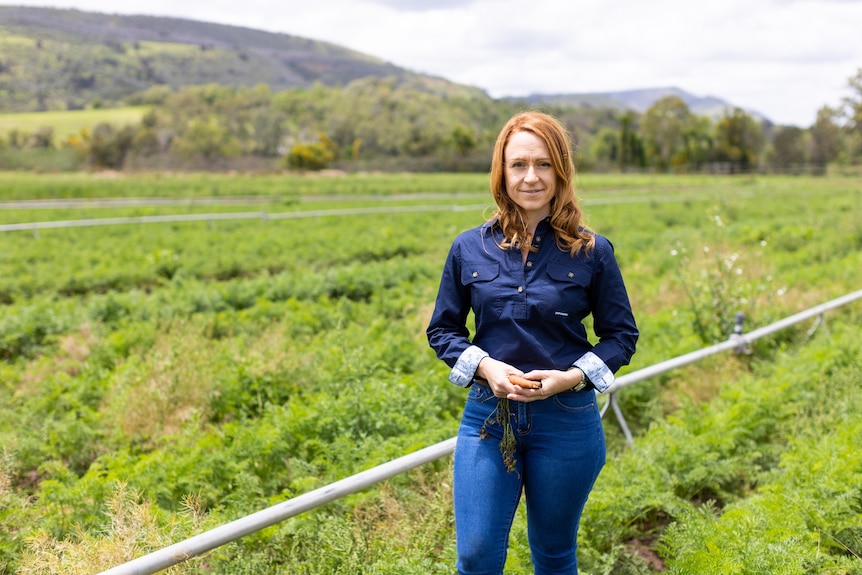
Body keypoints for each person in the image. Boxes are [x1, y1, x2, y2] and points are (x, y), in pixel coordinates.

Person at [426, 110, 638, 575]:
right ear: (501, 172)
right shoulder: (469, 247)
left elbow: (621, 336)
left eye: (543, 164)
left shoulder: (591, 251)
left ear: (561, 171)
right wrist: (486, 367)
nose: (531, 177)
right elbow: (442, 330)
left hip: (566, 422)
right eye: (518, 164)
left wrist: (572, 378)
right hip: (488, 417)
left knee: (554, 552)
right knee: (476, 555)